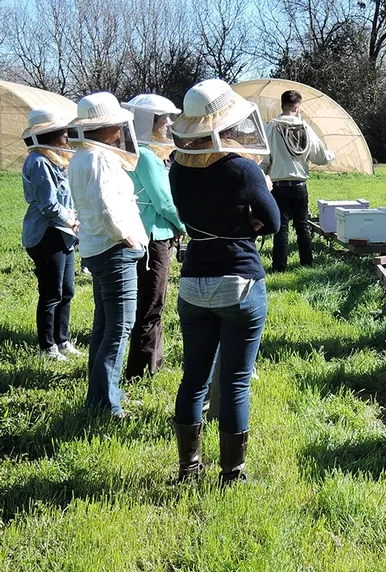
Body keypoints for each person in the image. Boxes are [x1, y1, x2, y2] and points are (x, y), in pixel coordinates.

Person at [169, 78, 280, 483]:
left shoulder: (176, 169)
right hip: (239, 283)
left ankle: (188, 469)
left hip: (193, 283)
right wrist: (247, 223)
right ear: (227, 124)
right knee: (233, 382)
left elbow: (192, 214)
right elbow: (274, 219)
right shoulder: (242, 168)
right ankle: (232, 474)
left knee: (193, 377)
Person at [67, 92, 148, 419]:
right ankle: (108, 407)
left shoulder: (81, 157)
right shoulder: (98, 158)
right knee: (119, 328)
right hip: (113, 250)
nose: (119, 130)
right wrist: (126, 237)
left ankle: (102, 395)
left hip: (98, 249)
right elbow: (105, 205)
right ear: (106, 126)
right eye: (115, 124)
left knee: (104, 327)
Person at [121, 94, 186, 379]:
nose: (169, 125)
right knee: (151, 304)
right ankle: (141, 371)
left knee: (152, 303)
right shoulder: (147, 155)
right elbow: (165, 203)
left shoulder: (142, 152)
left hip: (150, 237)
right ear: (149, 123)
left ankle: (153, 364)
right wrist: (188, 226)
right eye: (164, 120)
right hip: (153, 239)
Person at [21, 107, 82, 361]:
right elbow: (48, 205)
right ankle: (47, 348)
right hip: (47, 234)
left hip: (64, 234)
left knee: (67, 290)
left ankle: (63, 340)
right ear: (50, 134)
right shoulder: (38, 161)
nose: (67, 137)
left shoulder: (57, 158)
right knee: (51, 292)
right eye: (63, 133)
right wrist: (71, 220)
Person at [260, 89, 334, 272]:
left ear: (282, 105)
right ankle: (306, 263)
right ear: (298, 107)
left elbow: (264, 160)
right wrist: (331, 156)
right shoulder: (305, 128)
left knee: (281, 227)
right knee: (302, 226)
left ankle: (279, 267)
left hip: (277, 185)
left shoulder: (271, 128)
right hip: (300, 185)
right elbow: (320, 156)